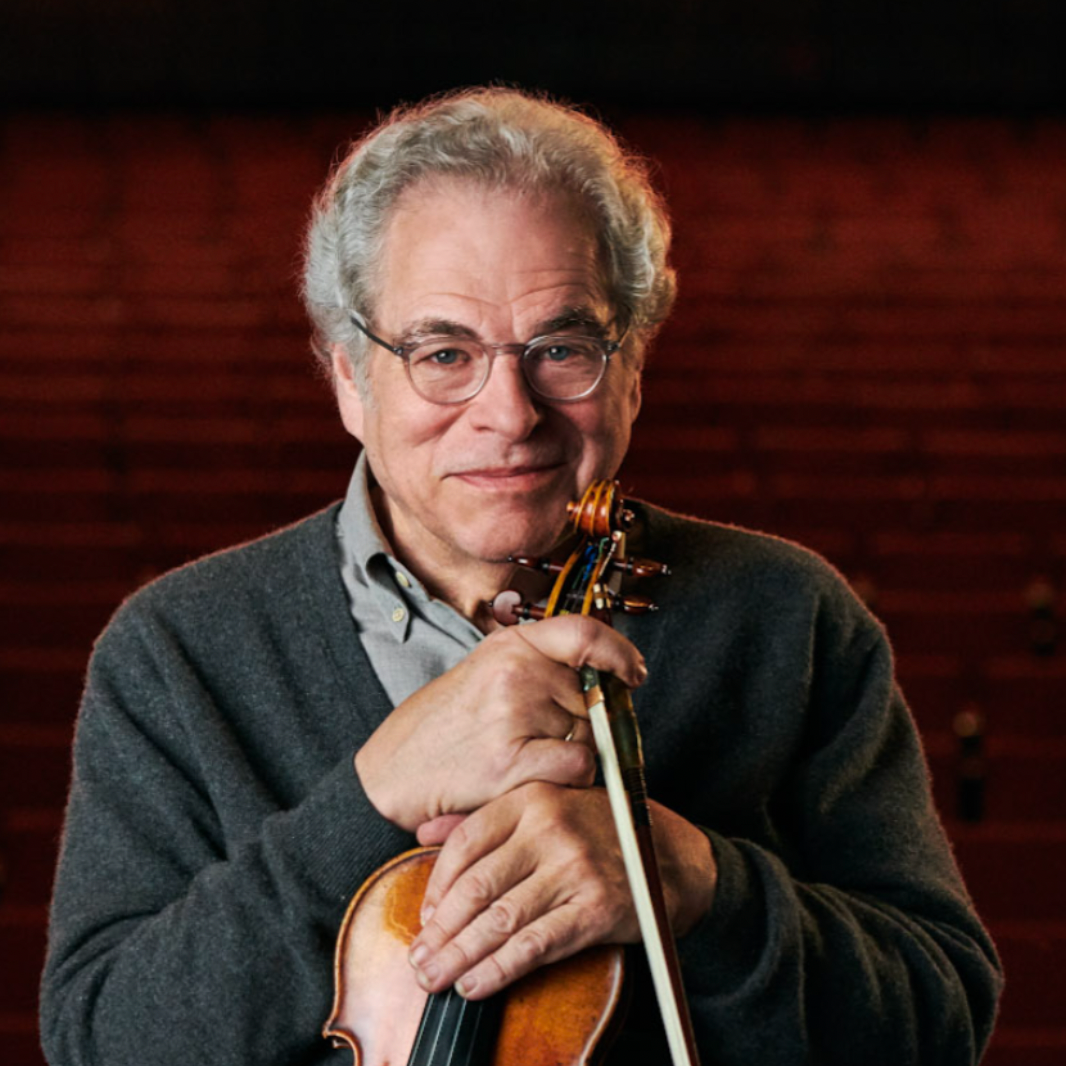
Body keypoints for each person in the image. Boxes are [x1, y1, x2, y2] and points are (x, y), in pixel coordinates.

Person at [40, 88, 1001, 1065]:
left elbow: (937, 1017)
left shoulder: (787, 616)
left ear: (631, 366)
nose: (508, 411)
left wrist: (696, 883)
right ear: (347, 378)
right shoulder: (175, 650)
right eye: (443, 352)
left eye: (560, 347)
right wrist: (369, 800)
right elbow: (103, 1039)